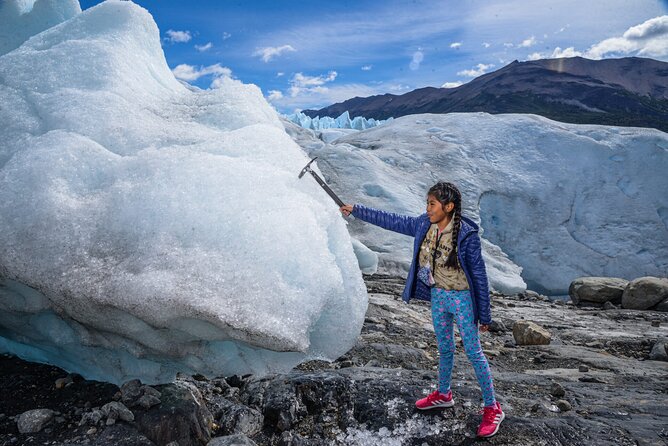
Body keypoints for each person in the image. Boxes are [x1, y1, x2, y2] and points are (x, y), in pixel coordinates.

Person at [339, 181, 504, 438]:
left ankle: (492, 408)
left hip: (462, 300)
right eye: (427, 203)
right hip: (438, 296)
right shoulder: (424, 225)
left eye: (432, 204)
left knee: (473, 351)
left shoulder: (466, 235)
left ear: (448, 207)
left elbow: (480, 275)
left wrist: (484, 314)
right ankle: (443, 393)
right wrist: (357, 210)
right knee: (445, 347)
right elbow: (392, 220)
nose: (427, 209)